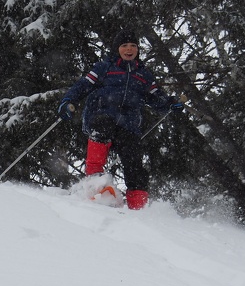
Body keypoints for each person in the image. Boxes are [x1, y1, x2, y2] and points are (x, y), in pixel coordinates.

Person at [57, 29, 184, 210]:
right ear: (117, 49)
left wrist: (170, 104)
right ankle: (94, 182)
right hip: (101, 115)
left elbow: (157, 97)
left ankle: (138, 207)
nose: (129, 49)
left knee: (135, 163)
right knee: (103, 126)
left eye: (133, 46)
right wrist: (68, 101)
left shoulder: (143, 74)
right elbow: (83, 85)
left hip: (129, 124)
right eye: (124, 46)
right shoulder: (104, 68)